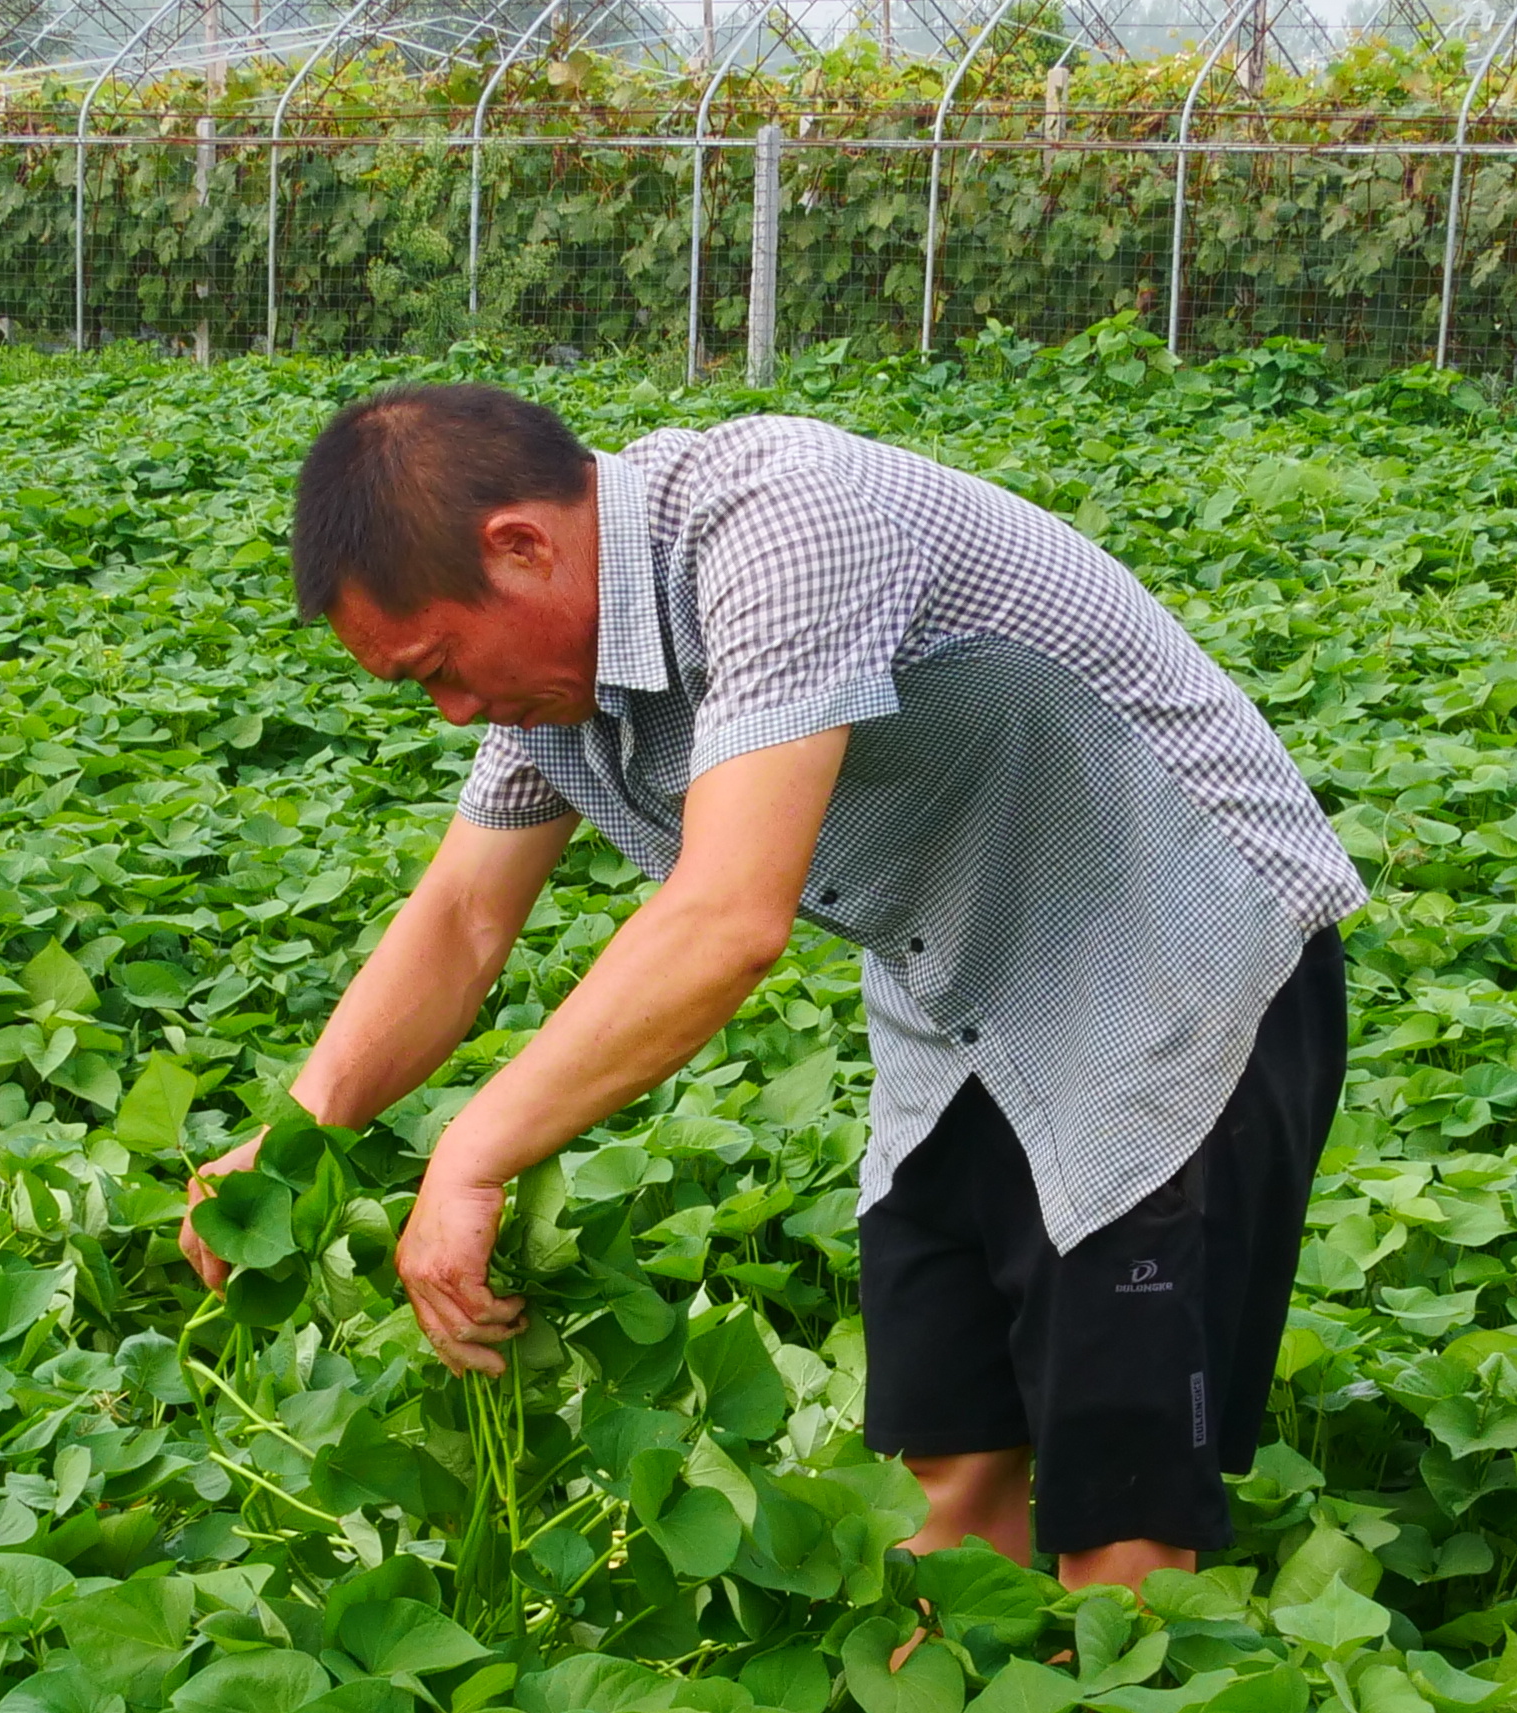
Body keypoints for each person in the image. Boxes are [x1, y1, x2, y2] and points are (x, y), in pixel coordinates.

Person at [180, 383, 1357, 1591]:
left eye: (441, 664)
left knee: (1122, 1485)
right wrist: (295, 1135)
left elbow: (726, 918)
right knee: (941, 1463)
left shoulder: (779, 519)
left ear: (522, 547)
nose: (454, 708)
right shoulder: (558, 679)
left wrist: (472, 1153)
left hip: (1178, 954)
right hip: (956, 998)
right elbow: (465, 917)